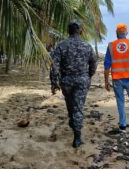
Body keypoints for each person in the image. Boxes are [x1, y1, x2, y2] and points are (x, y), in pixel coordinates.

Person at [50, 20, 97, 148]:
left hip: (66, 81)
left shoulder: (61, 45)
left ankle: (74, 125)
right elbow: (93, 64)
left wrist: (54, 83)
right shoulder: (87, 46)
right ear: (80, 31)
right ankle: (77, 137)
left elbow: (54, 65)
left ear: (68, 31)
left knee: (71, 105)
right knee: (78, 107)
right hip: (82, 81)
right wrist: (89, 76)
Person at [104, 23, 129, 136]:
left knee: (120, 102)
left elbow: (107, 65)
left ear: (116, 33)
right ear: (126, 33)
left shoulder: (111, 46)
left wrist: (106, 81)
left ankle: (122, 126)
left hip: (117, 79)